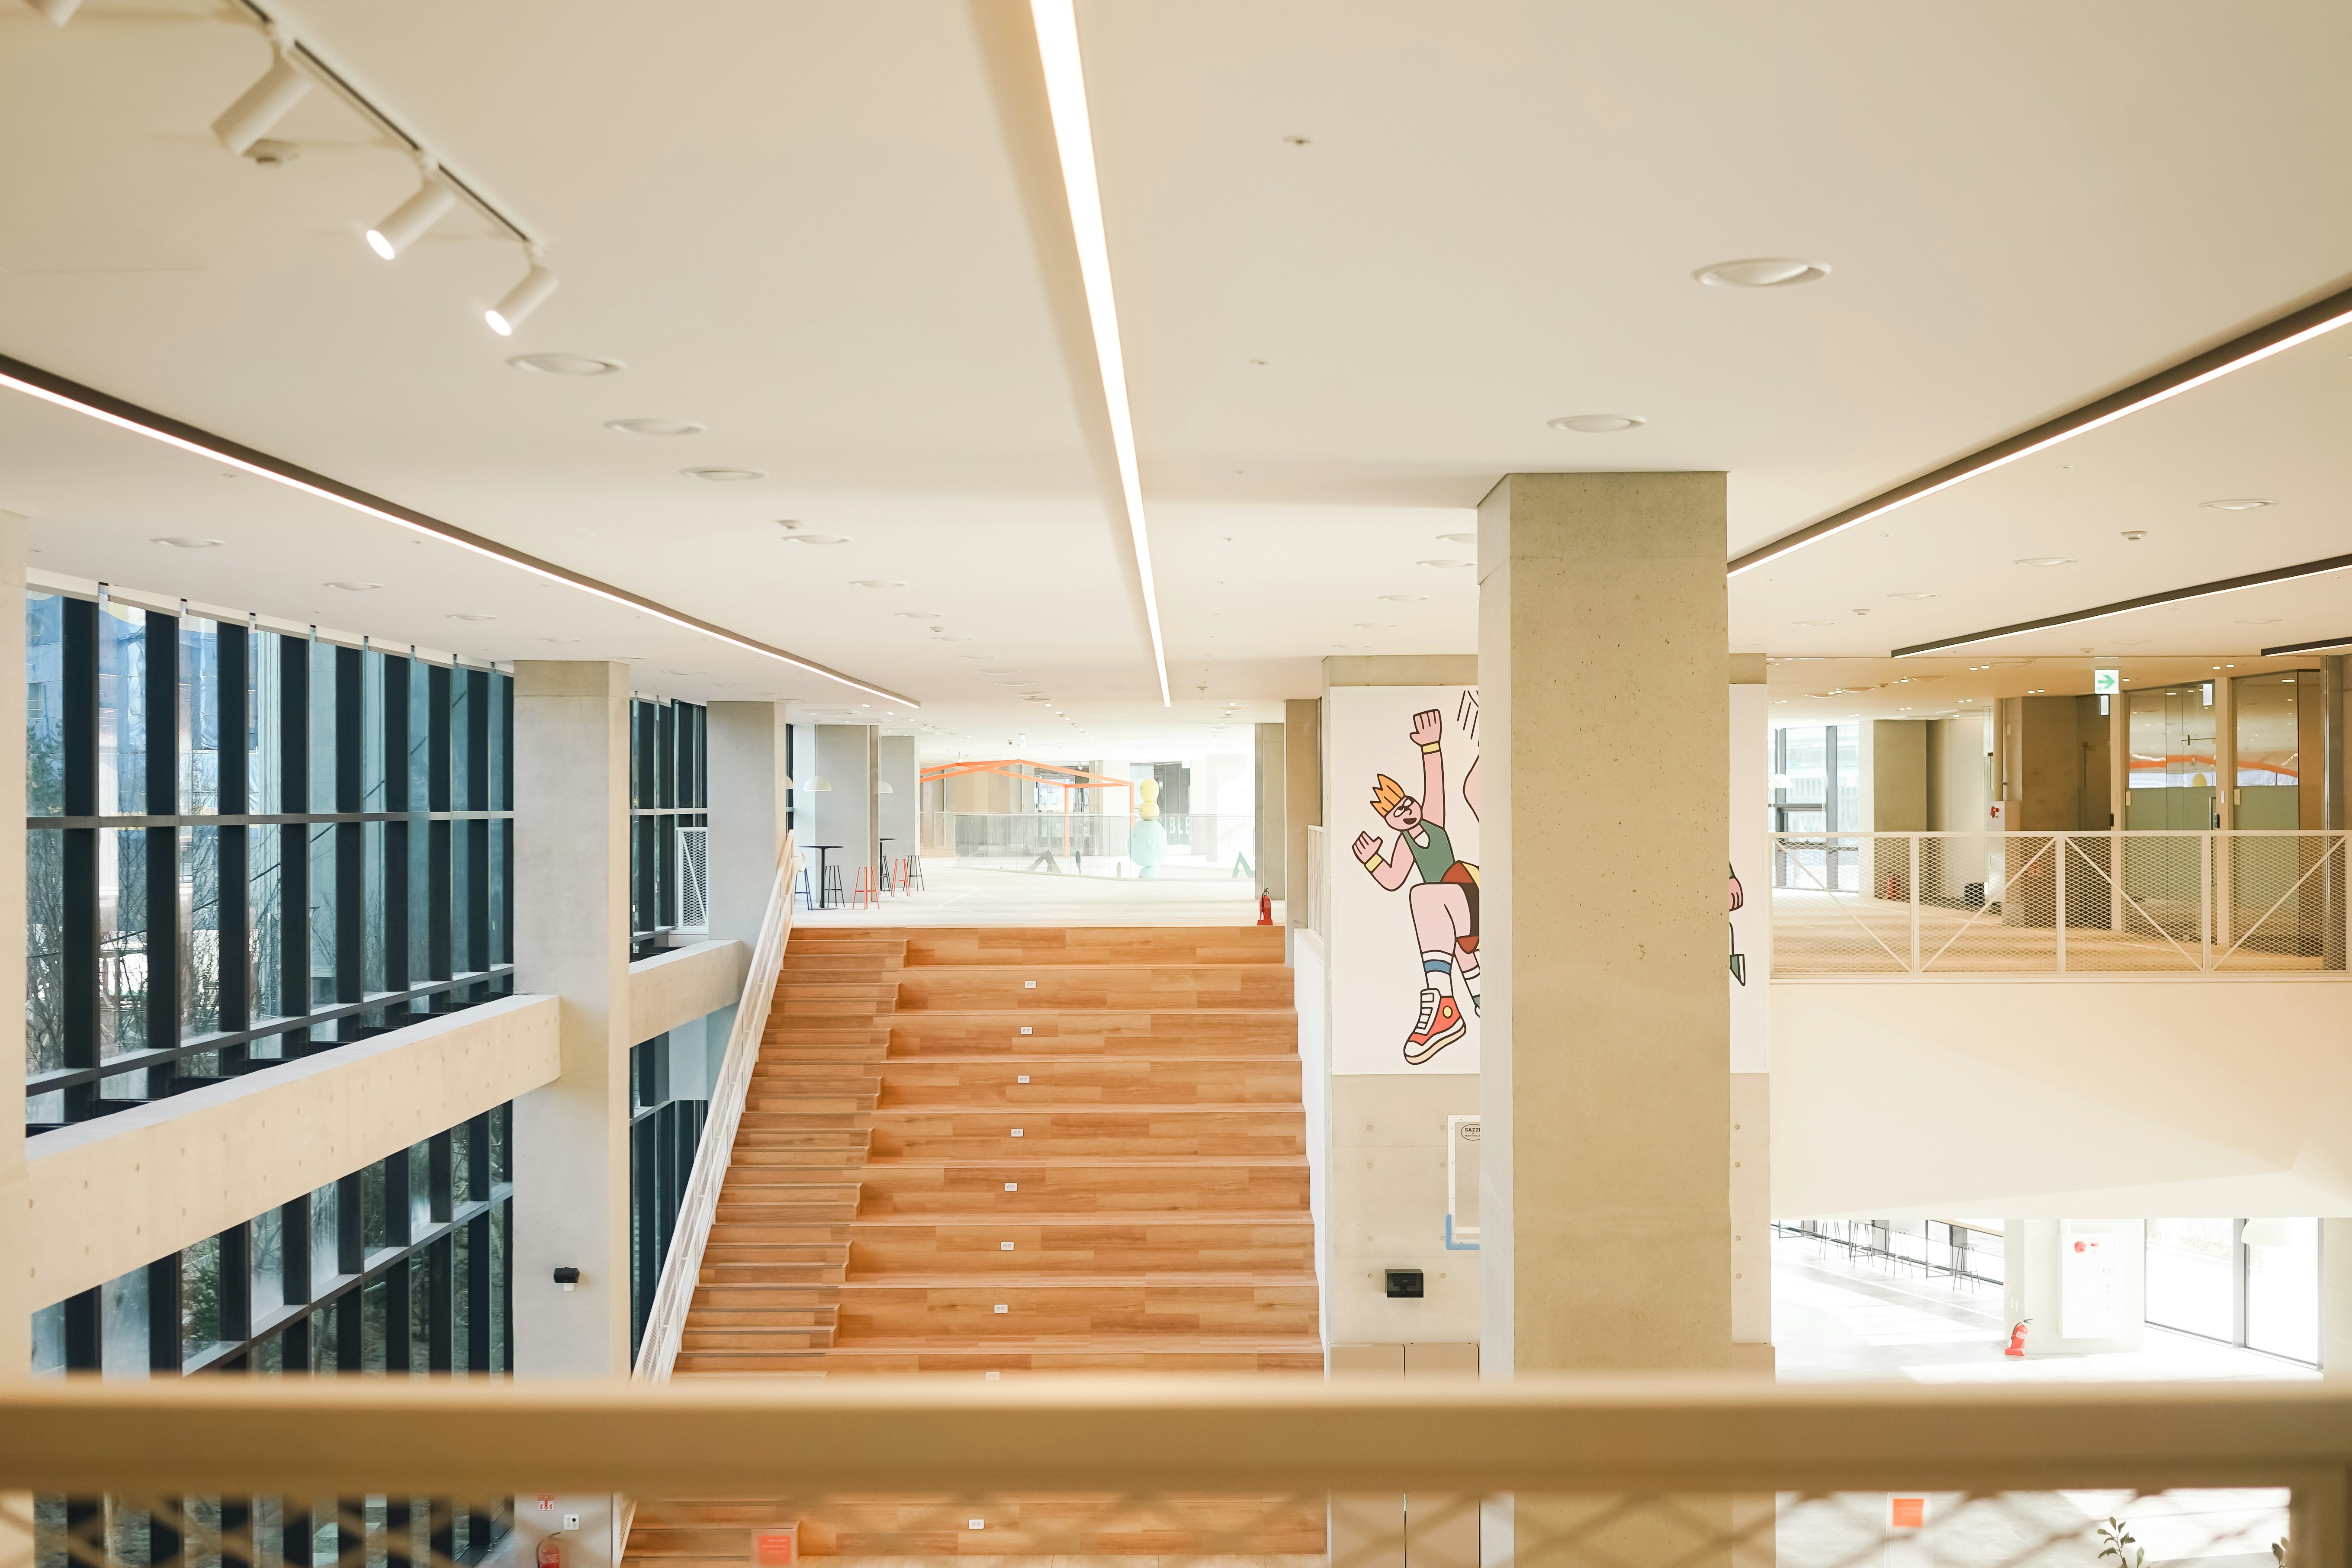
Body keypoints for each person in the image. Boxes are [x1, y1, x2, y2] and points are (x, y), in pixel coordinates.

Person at [1352, 708, 1480, 1064]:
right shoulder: (1405, 844)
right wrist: (1373, 860)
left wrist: (1431, 747)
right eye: (1397, 813)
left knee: (1424, 897)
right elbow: (1393, 879)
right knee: (1457, 947)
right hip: (1452, 912)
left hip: (1469, 891)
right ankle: (1475, 999)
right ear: (1392, 824)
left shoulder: (1434, 821)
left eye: (1407, 803)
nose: (1407, 811)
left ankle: (1443, 1001)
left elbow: (1435, 786)